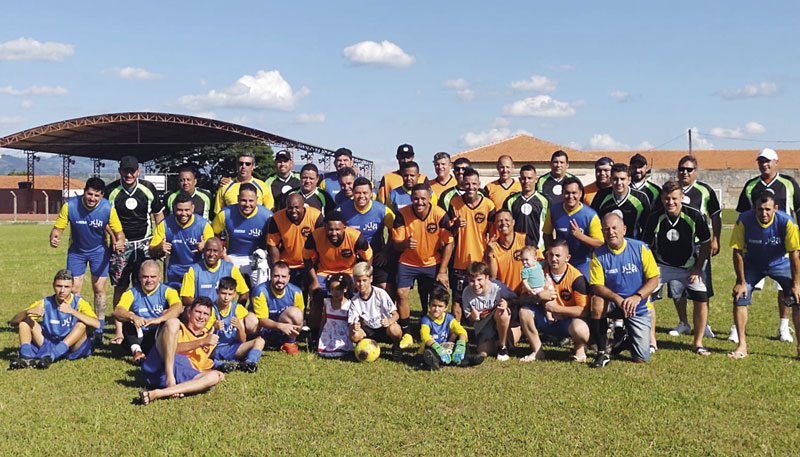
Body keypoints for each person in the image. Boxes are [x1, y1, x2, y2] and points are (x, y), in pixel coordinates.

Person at [734, 148, 800, 344]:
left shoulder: (789, 183)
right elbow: (742, 215)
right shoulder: (750, 186)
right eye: (761, 161)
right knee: (744, 289)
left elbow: (798, 209)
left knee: (787, 291)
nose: (765, 164)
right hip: (755, 248)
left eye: (768, 161)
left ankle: (783, 326)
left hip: (782, 247)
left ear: (776, 162)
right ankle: (737, 330)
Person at [50, 177, 124, 346]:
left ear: (102, 195)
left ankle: (99, 329)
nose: (92, 198)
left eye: (96, 195)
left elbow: (119, 232)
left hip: (99, 252)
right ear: (84, 192)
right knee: (74, 290)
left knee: (99, 289)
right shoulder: (70, 206)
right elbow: (57, 228)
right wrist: (54, 237)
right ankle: (75, 327)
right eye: (89, 194)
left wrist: (119, 241)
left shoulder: (108, 208)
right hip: (76, 252)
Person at [642, 180, 712, 354]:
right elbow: (646, 246)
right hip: (662, 266)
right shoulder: (655, 217)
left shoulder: (694, 215)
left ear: (682, 197)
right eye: (667, 199)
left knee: (701, 297)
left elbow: (706, 243)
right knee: (646, 297)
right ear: (662, 199)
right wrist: (651, 270)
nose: (670, 202)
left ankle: (698, 343)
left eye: (674, 198)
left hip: (688, 267)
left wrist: (698, 268)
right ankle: (651, 342)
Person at [729, 191, 800, 359]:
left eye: (768, 209)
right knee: (740, 297)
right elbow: (737, 251)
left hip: (780, 263)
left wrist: (797, 285)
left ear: (775, 208)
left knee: (798, 299)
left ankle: (799, 347)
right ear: (754, 208)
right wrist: (741, 281)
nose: (764, 213)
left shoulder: (787, 222)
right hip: (752, 264)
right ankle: (742, 345)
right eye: (760, 209)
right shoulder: (743, 220)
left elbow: (794, 254)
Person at [106, 155, 165, 346]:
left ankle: (149, 326)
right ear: (120, 171)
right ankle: (119, 331)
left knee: (146, 285)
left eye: (132, 171)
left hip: (145, 244)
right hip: (121, 246)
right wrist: (115, 238)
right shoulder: (111, 191)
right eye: (125, 171)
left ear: (138, 171)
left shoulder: (148, 189)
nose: (129, 174)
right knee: (121, 286)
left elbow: (158, 216)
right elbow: (105, 218)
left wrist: (158, 241)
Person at [588, 213, 660, 368]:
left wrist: (637, 297)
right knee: (597, 301)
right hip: (614, 303)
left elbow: (654, 280)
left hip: (637, 305)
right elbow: (596, 285)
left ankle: (625, 340)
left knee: (641, 358)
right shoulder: (598, 254)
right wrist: (617, 299)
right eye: (606, 229)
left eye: (615, 228)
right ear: (602, 232)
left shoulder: (640, 248)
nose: (611, 232)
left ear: (624, 230)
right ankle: (602, 352)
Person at [392, 183, 454, 345]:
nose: (419, 202)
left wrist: (442, 271)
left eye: (423, 199)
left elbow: (449, 242)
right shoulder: (402, 214)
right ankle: (407, 333)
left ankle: (438, 330)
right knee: (401, 293)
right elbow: (396, 244)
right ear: (411, 198)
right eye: (416, 198)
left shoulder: (440, 214)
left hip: (432, 262)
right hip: (408, 262)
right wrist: (405, 244)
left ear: (429, 198)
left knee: (438, 295)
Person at [137, 296, 224, 405]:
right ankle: (170, 379)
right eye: (198, 312)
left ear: (210, 317)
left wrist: (215, 372)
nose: (201, 317)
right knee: (173, 322)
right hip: (160, 367)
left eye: (206, 314)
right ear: (189, 312)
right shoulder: (179, 329)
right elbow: (169, 348)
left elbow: (200, 369)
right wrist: (201, 342)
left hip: (182, 374)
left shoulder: (210, 341)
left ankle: (161, 393)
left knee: (213, 377)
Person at [303, 212, 373, 345]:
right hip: (324, 272)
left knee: (360, 298)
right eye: (330, 229)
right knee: (316, 297)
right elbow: (306, 258)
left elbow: (368, 258)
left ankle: (361, 333)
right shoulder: (314, 236)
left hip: (349, 272)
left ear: (344, 228)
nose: (333, 233)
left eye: (337, 229)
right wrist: (314, 281)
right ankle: (315, 336)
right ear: (324, 227)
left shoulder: (356, 237)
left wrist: (361, 277)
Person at [8, 269, 100, 370]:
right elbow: (13, 322)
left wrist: (72, 311)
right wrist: (27, 312)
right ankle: (26, 357)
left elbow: (97, 324)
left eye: (66, 287)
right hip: (50, 342)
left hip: (72, 345)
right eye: (59, 286)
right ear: (53, 285)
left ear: (72, 287)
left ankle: (52, 356)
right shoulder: (45, 302)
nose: (62, 290)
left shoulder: (79, 303)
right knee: (25, 322)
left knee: (81, 325)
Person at [670, 155, 720, 339]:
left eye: (689, 169)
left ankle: (704, 324)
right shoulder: (672, 190)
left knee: (701, 285)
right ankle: (683, 322)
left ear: (696, 171)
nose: (685, 172)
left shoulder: (705, 191)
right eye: (681, 169)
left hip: (699, 245)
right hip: (676, 245)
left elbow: (715, 216)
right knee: (676, 287)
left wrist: (716, 239)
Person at [517, 240, 591, 362]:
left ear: (567, 258)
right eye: (551, 255)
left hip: (568, 322)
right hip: (546, 320)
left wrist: (556, 309)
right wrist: (538, 296)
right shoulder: (537, 270)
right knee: (524, 312)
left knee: (581, 329)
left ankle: (579, 350)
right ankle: (537, 351)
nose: (553, 259)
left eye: (558, 255)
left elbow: (584, 311)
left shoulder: (577, 278)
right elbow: (522, 298)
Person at [446, 167, 496, 321]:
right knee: (457, 299)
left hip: (481, 261)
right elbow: (448, 233)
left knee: (484, 296)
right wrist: (455, 226)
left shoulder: (488, 205)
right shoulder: (455, 203)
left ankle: (483, 326)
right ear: (462, 184)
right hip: (460, 261)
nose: (471, 187)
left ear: (479, 184)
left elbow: (493, 235)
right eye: (467, 184)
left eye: (474, 184)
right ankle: (457, 330)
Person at [112, 260, 183, 364]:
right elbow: (117, 311)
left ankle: (157, 352)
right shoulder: (131, 293)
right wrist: (133, 317)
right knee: (128, 320)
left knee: (172, 320)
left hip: (158, 334)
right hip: (137, 335)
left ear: (159, 277)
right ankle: (137, 352)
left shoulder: (168, 291)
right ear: (139, 277)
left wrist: (159, 319)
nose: (149, 280)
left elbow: (178, 308)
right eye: (145, 277)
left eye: (153, 277)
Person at [338, 177, 395, 289]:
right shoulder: (341, 211)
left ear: (371, 194)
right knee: (349, 288)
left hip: (376, 256)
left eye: (365, 193)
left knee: (384, 287)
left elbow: (396, 232)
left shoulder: (383, 210)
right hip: (350, 258)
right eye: (358, 193)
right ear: (353, 193)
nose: (361, 196)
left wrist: (385, 252)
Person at [149, 191, 214, 289]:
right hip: (174, 272)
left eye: (187, 210)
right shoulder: (165, 224)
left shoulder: (204, 225)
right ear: (174, 208)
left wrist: (205, 248)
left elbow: (214, 253)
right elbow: (151, 251)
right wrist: (159, 247)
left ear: (193, 208)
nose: (183, 214)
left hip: (197, 270)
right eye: (179, 210)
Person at [542, 176, 604, 278]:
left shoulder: (590, 215)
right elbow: (546, 234)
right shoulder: (553, 211)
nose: (570, 196)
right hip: (561, 263)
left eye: (574, 193)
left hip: (583, 262)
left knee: (583, 285)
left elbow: (599, 243)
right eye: (567, 193)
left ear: (580, 194)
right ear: (562, 193)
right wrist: (551, 253)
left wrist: (581, 236)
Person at [211, 183, 273, 281]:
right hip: (232, 257)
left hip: (256, 258)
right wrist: (222, 253)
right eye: (243, 200)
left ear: (257, 199)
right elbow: (213, 234)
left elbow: (275, 240)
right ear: (238, 198)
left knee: (262, 271)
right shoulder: (225, 213)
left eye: (251, 201)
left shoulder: (267, 216)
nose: (247, 204)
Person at [461, 261, 520, 360]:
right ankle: (493, 347)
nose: (476, 284)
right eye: (472, 280)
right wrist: (473, 317)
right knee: (483, 351)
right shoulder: (466, 292)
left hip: (501, 323)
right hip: (484, 326)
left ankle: (502, 347)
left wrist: (507, 304)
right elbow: (470, 319)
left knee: (503, 312)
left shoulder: (498, 288)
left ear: (487, 277)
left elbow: (516, 301)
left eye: (479, 279)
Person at [205, 277, 264, 372]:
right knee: (203, 352)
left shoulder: (237, 309)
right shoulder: (211, 310)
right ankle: (219, 364)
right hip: (215, 348)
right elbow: (203, 338)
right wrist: (213, 328)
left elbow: (243, 340)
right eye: (223, 293)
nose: (226, 297)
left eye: (230, 294)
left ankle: (249, 363)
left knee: (260, 341)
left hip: (232, 348)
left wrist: (239, 327)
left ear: (234, 294)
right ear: (217, 292)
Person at [348, 262, 403, 360]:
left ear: (371, 279)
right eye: (358, 281)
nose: (361, 284)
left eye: (364, 280)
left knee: (395, 329)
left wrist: (389, 321)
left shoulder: (380, 294)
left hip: (384, 328)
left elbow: (396, 315)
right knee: (354, 334)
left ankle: (396, 347)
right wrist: (354, 326)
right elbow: (352, 322)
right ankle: (364, 348)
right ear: (354, 281)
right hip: (369, 330)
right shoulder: (354, 301)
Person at [266, 193, 323, 289]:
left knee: (313, 291)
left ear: (303, 206)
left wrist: (317, 264)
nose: (293, 211)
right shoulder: (277, 218)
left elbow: (322, 243)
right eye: (290, 208)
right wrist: (278, 267)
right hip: (287, 263)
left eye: (297, 207)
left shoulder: (316, 216)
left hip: (310, 263)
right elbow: (273, 244)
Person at [419, 287, 484, 370]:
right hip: (434, 348)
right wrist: (437, 347)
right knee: (429, 351)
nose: (436, 309)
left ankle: (466, 357)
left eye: (440, 306)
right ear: (429, 305)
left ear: (446, 307)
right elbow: (425, 336)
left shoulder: (449, 318)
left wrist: (461, 344)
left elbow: (461, 330)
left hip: (447, 348)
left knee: (460, 336)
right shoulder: (426, 320)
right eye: (434, 305)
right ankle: (434, 361)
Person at [251, 261, 305, 355]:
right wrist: (280, 326)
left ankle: (289, 342)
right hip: (263, 328)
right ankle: (257, 340)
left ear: (288, 278)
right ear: (271, 276)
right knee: (250, 320)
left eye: (283, 276)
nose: (280, 280)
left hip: (283, 329)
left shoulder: (296, 292)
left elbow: (300, 320)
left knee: (296, 314)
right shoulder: (260, 291)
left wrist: (294, 329)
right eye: (276, 276)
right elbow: (262, 320)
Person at [180, 237, 249, 307]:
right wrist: (206, 308)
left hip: (223, 312)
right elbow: (186, 298)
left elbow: (245, 293)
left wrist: (236, 309)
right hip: (203, 311)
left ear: (221, 253)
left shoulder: (230, 269)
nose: (211, 254)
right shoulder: (193, 270)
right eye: (208, 250)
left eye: (215, 251)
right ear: (203, 251)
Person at [590, 163, 651, 239]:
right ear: (611, 179)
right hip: (607, 243)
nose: (619, 183)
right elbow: (593, 222)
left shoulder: (641, 198)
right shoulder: (601, 196)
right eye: (615, 179)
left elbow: (647, 226)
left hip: (632, 243)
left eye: (622, 179)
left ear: (629, 180)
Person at [502, 164, 549, 249]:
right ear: (520, 180)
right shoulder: (510, 201)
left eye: (530, 178)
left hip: (538, 249)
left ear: (536, 179)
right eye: (523, 178)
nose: (526, 181)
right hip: (516, 249)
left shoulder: (545, 200)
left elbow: (550, 226)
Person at [485, 209, 530, 293]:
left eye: (507, 220)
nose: (503, 223)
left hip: (525, 293)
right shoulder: (492, 247)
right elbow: (493, 277)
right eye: (499, 221)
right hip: (504, 294)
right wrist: (490, 254)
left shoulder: (525, 240)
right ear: (495, 224)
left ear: (513, 222)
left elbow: (538, 264)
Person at [317, 273, 355, 358]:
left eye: (338, 289)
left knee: (340, 351)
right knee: (324, 352)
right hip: (328, 332)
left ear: (345, 289)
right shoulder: (327, 302)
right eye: (332, 289)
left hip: (342, 333)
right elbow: (324, 319)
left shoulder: (349, 304)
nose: (335, 292)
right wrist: (320, 333)